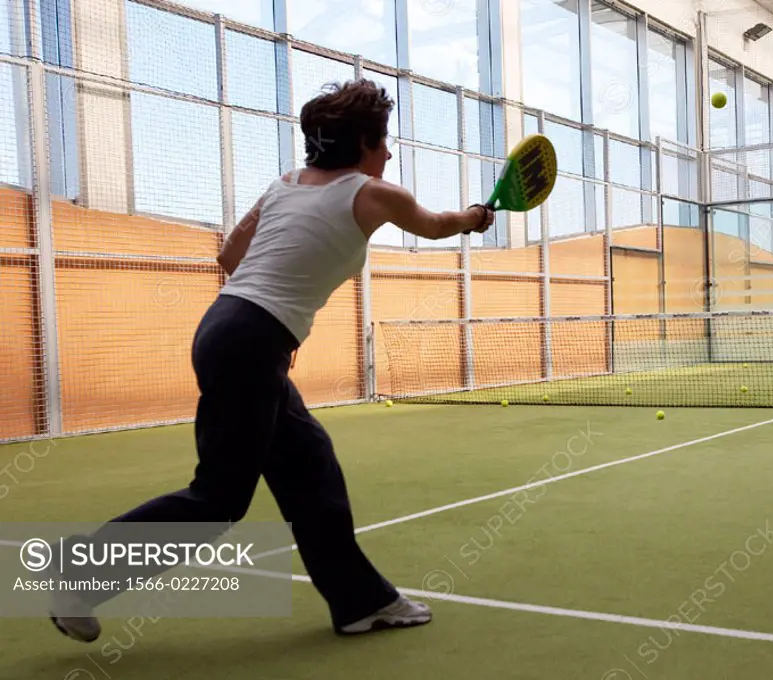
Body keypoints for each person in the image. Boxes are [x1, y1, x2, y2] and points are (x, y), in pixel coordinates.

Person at [48, 79, 494, 642]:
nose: (388, 151)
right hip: (248, 339)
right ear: (361, 141)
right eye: (383, 140)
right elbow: (436, 226)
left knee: (309, 464)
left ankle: (361, 602)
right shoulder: (375, 193)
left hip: (229, 326)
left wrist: (271, 318)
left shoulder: (285, 185)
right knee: (219, 498)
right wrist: (476, 215)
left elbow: (230, 254)